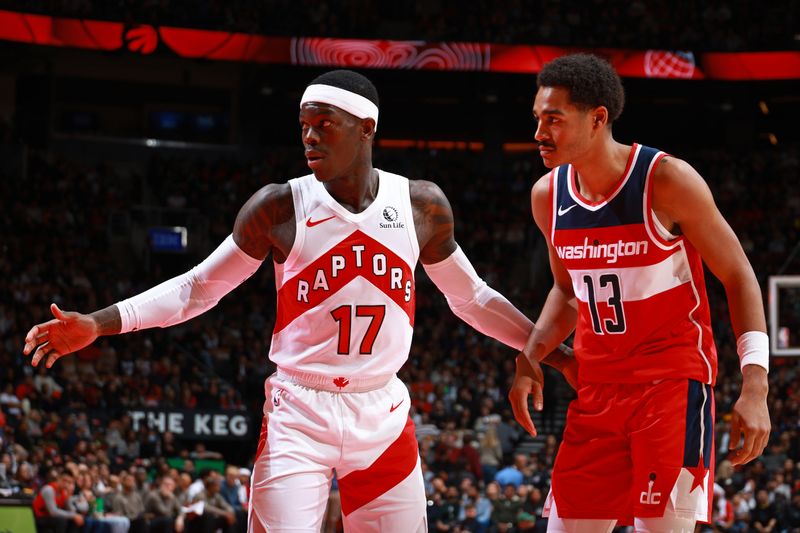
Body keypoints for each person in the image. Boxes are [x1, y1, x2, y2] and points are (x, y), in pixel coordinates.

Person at [23, 69, 573, 532]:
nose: (310, 137)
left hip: (380, 410)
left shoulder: (421, 204)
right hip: (299, 410)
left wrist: (552, 351)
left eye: (324, 125)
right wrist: (99, 323)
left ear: (367, 128)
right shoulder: (279, 206)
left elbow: (472, 297)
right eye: (304, 127)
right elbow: (197, 289)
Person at [509, 53, 771, 532]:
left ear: (598, 118)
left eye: (554, 119)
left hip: (670, 386)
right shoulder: (547, 195)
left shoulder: (666, 180)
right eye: (537, 119)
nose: (539, 133)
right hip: (595, 391)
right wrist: (532, 354)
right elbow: (568, 291)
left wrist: (756, 385)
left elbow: (739, 275)